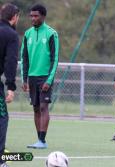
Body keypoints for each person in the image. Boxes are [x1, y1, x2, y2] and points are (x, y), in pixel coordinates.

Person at [21, 4, 59, 149]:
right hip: (31, 77)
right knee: (36, 108)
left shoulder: (51, 33)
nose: (33, 18)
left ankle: (42, 140)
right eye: (31, 16)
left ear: (43, 16)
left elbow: (55, 58)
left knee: (44, 107)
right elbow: (24, 57)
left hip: (45, 77)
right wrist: (24, 79)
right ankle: (39, 139)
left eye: (36, 16)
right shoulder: (27, 34)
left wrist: (49, 79)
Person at [0, 3, 20, 167]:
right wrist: (11, 87)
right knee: (2, 118)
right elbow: (10, 62)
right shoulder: (11, 34)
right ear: (14, 17)